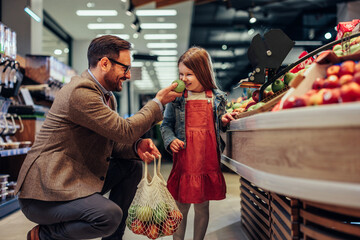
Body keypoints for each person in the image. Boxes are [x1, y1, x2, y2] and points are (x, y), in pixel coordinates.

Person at [15, 35, 182, 240]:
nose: (128, 75)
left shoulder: (106, 97)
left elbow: (113, 142)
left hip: (72, 180)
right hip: (44, 193)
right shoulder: (81, 92)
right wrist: (157, 103)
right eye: (125, 68)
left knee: (132, 166)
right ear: (104, 63)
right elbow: (124, 130)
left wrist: (135, 147)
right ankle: (44, 236)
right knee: (108, 216)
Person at [160, 47, 236, 240]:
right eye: (181, 74)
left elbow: (219, 125)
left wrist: (225, 120)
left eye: (189, 74)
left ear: (202, 72)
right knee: (181, 206)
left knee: (202, 206)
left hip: (206, 161)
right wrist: (171, 140)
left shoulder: (217, 98)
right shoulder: (176, 99)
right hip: (185, 161)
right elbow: (166, 126)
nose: (183, 79)